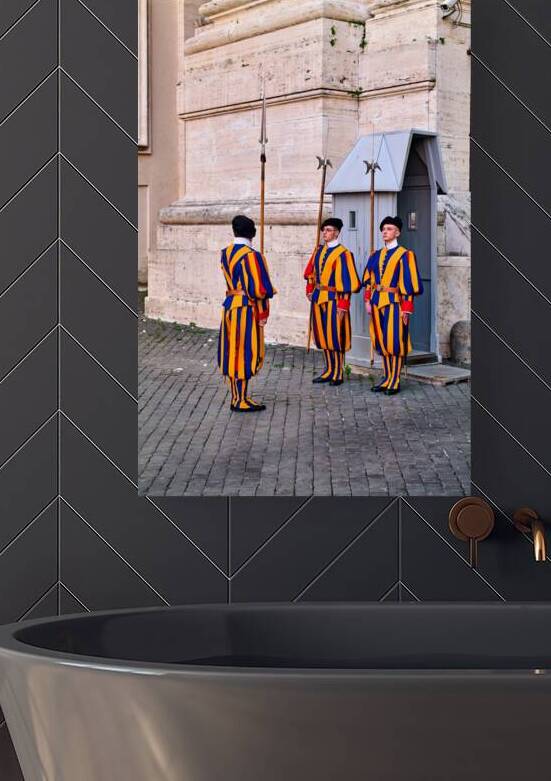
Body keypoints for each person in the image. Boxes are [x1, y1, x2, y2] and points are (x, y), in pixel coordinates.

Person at [217, 215, 276, 412]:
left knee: (232, 351)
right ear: (252, 233)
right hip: (247, 308)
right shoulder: (253, 256)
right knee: (244, 352)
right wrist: (263, 312)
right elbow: (259, 289)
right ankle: (240, 400)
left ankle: (236, 397)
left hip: (230, 306)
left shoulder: (225, 253)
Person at [362, 215, 423, 395]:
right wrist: (367, 299)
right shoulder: (376, 255)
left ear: (397, 232)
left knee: (394, 343)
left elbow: (409, 286)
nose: (384, 232)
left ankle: (395, 380)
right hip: (376, 302)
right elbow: (368, 279)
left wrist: (407, 308)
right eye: (383, 229)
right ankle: (387, 377)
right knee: (382, 342)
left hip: (394, 304)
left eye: (388, 229)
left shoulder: (405, 255)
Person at [303, 218, 361, 386]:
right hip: (318, 298)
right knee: (323, 336)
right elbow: (310, 273)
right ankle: (329, 369)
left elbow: (347, 283)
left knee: (336, 337)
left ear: (336, 232)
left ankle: (338, 372)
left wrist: (343, 305)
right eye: (323, 230)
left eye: (328, 230)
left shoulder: (344, 254)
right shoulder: (318, 251)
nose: (324, 233)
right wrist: (309, 290)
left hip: (335, 300)